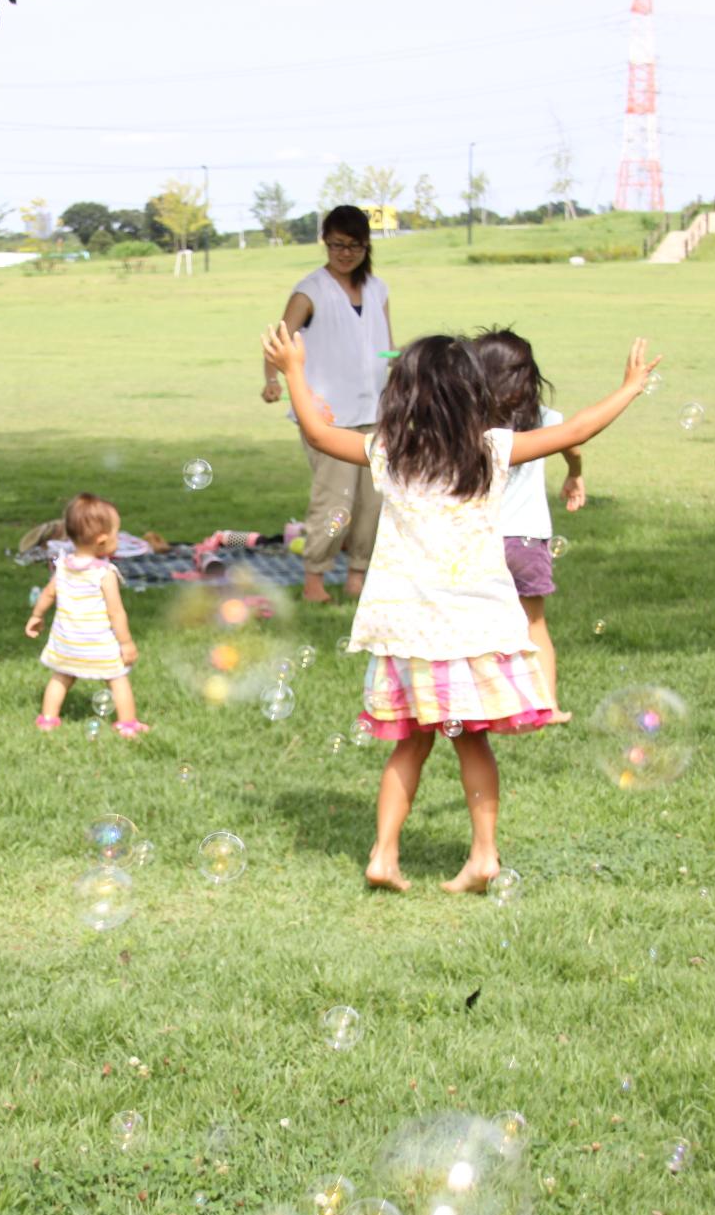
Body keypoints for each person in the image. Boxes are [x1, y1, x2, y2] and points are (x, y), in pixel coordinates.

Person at [261, 321, 658, 893]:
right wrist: (629, 387)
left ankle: (384, 856)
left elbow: (323, 438)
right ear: (472, 393)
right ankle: (483, 856)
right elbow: (576, 429)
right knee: (472, 742)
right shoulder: (490, 450)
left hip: (407, 633)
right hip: (469, 633)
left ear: (403, 396)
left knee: (408, 744)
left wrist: (294, 369)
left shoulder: (391, 452)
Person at [262, 204, 390, 604]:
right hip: (327, 417)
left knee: (374, 501)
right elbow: (279, 341)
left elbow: (386, 345)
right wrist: (271, 380)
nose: (345, 253)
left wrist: (398, 374)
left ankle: (357, 575)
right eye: (337, 245)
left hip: (376, 413)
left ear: (366, 246)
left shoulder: (378, 289)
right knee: (335, 501)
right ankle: (314, 579)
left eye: (354, 245)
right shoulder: (311, 290)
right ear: (325, 242)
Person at [471, 328, 584, 723]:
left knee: (478, 626)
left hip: (479, 540)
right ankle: (549, 705)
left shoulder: (471, 425)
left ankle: (483, 704)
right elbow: (573, 444)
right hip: (527, 541)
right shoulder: (546, 419)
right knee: (534, 622)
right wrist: (575, 473)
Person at [26, 492, 147, 735]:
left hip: (67, 640)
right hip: (97, 642)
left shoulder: (62, 565)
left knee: (61, 677)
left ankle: (48, 720)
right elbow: (116, 612)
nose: (119, 539)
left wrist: (36, 617)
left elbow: (49, 594)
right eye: (117, 534)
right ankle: (127, 724)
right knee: (117, 679)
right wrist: (126, 643)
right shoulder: (105, 573)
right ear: (102, 541)